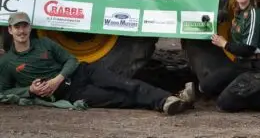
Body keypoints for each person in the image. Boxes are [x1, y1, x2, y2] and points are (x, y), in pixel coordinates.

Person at [0, 12, 192, 114]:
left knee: (125, 83)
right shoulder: (8, 62)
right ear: (10, 30)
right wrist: (30, 91)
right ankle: (167, 102)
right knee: (119, 99)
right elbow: (4, 92)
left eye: (24, 26)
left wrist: (57, 79)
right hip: (73, 93)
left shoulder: (45, 43)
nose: (22, 31)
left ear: (30, 27)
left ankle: (167, 99)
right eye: (17, 27)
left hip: (83, 73)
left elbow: (71, 60)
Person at [198, 0, 260, 113]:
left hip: (256, 68)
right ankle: (235, 90)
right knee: (205, 86)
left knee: (224, 104)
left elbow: (248, 49)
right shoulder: (238, 12)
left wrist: (224, 44)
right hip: (241, 65)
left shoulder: (254, 14)